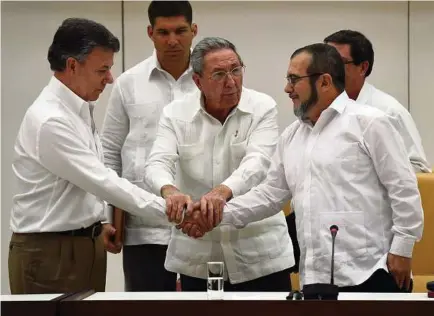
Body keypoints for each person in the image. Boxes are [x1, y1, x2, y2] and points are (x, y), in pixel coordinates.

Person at [201, 43, 424, 293]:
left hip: (371, 271)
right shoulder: (291, 136)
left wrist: (402, 249)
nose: (287, 89)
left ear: (325, 82)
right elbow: (270, 194)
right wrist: (215, 214)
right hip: (315, 277)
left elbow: (404, 189)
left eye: (294, 79)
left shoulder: (371, 123)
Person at [8, 17, 204, 295]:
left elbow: (92, 180)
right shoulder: (51, 120)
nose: (110, 79)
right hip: (52, 252)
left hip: (84, 243)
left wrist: (103, 221)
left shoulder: (79, 108)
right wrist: (174, 209)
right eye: (103, 69)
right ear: (72, 65)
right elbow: (104, 182)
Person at [144, 37, 295, 292]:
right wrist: (170, 192)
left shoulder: (262, 107)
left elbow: (258, 163)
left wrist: (221, 193)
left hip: (260, 254)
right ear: (198, 81)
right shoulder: (174, 113)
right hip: (199, 254)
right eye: (219, 74)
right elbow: (157, 162)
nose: (231, 81)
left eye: (236, 70)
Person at [100, 1, 198, 292]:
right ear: (150, 33)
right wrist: (107, 217)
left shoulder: (210, 80)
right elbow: (109, 152)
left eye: (180, 31)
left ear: (194, 31)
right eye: (163, 32)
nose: (172, 40)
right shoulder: (128, 83)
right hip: (144, 230)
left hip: (199, 228)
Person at [324, 30, 431, 173]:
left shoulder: (389, 111)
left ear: (363, 67)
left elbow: (419, 168)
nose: (329, 70)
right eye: (326, 63)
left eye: (339, 63)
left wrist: (364, 178)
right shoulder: (322, 109)